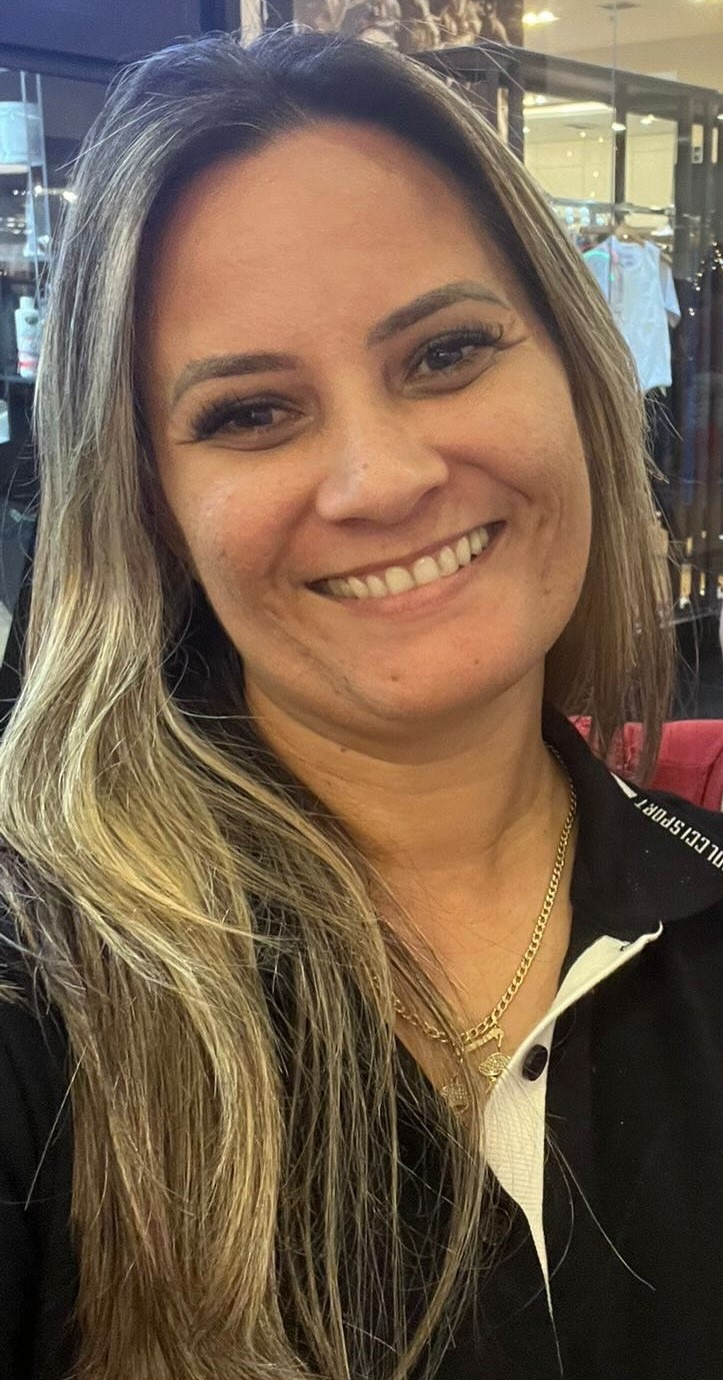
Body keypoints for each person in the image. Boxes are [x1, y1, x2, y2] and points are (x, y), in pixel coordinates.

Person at [0, 27, 722, 1380]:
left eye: (446, 352)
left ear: (574, 371)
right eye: (251, 414)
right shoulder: (39, 992)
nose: (382, 480)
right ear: (150, 506)